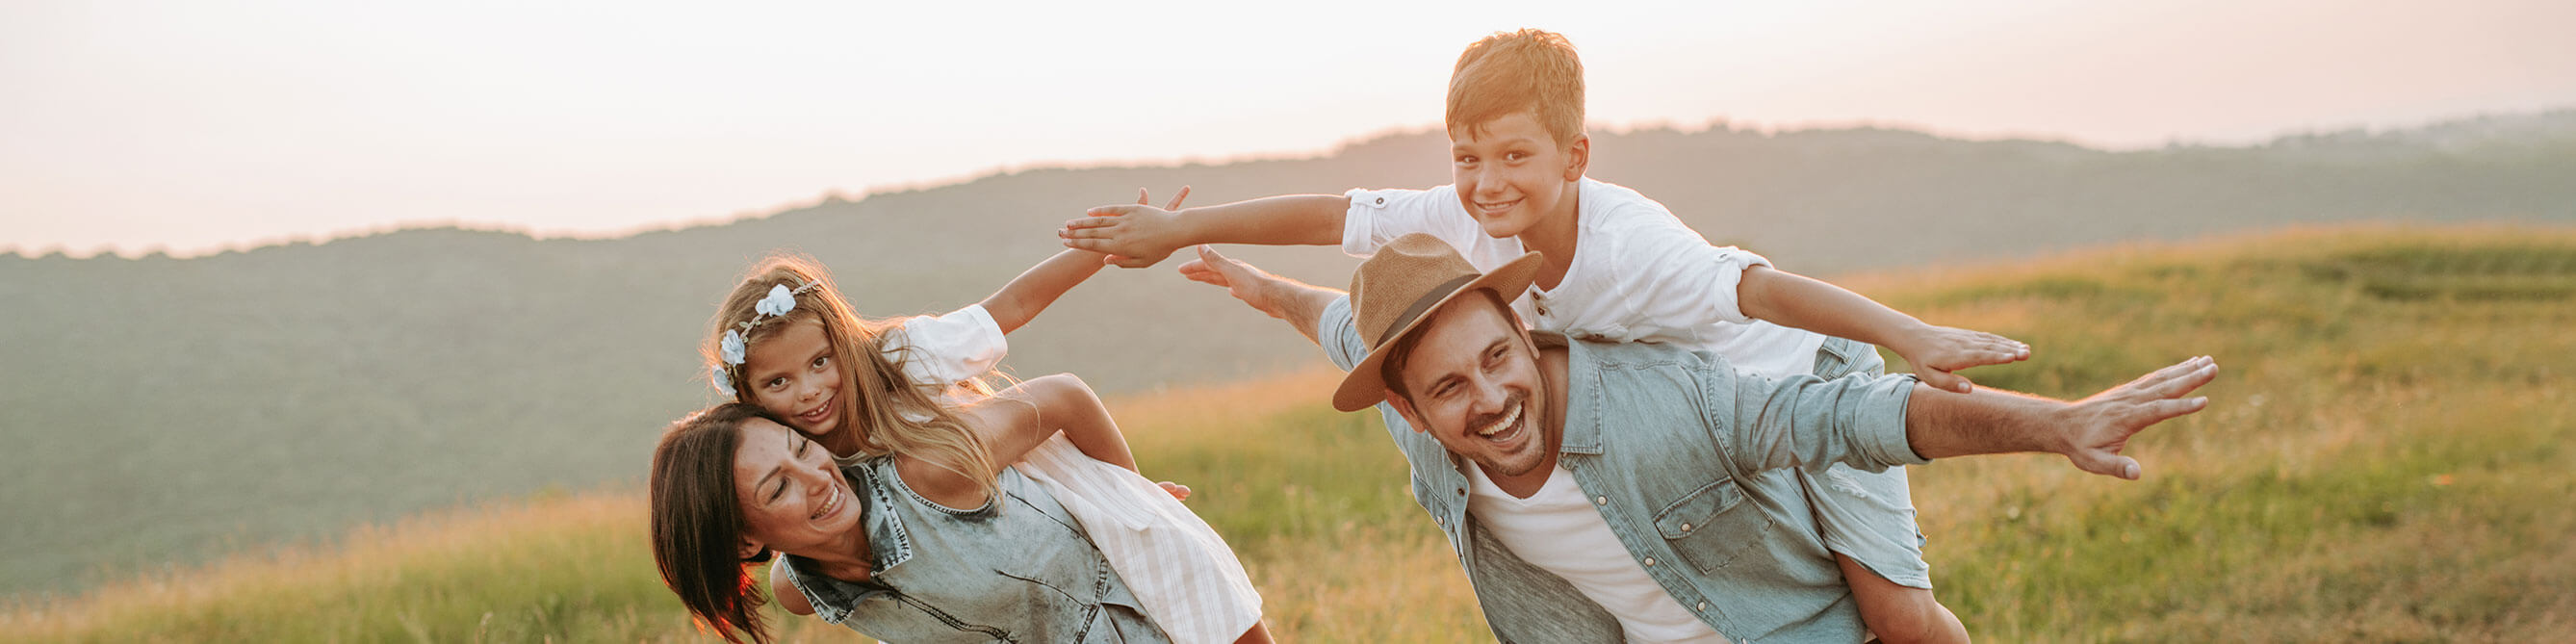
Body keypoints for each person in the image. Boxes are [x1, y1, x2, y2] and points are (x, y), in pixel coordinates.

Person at [1062, 29, 2021, 642]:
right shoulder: (1466, 211)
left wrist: (1912, 334)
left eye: (1515, 155)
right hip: (1696, 427)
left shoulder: (1633, 244)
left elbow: (1765, 290)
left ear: (1576, 157)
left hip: (1808, 381)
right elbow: (1333, 215)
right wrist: (1188, 232)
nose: (1487, 181)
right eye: (1468, 156)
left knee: (1894, 613)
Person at [1178, 233, 2217, 642]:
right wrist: (1248, 279)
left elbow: (1853, 420)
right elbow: (1329, 318)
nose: (1489, 399)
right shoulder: (1425, 436)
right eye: (1448, 389)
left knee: (1911, 624)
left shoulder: (1663, 403)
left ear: (1521, 328)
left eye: (1498, 358)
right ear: (1407, 411)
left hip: (1794, 626)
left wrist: (2057, 425)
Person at [686, 188, 1268, 643]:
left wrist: (1096, 251)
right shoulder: (780, 449)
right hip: (958, 564)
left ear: (841, 341)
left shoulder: (895, 357)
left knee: (1157, 561)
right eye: (779, 382)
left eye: (820, 362)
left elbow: (1011, 307)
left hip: (1024, 476)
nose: (810, 392)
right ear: (750, 396)